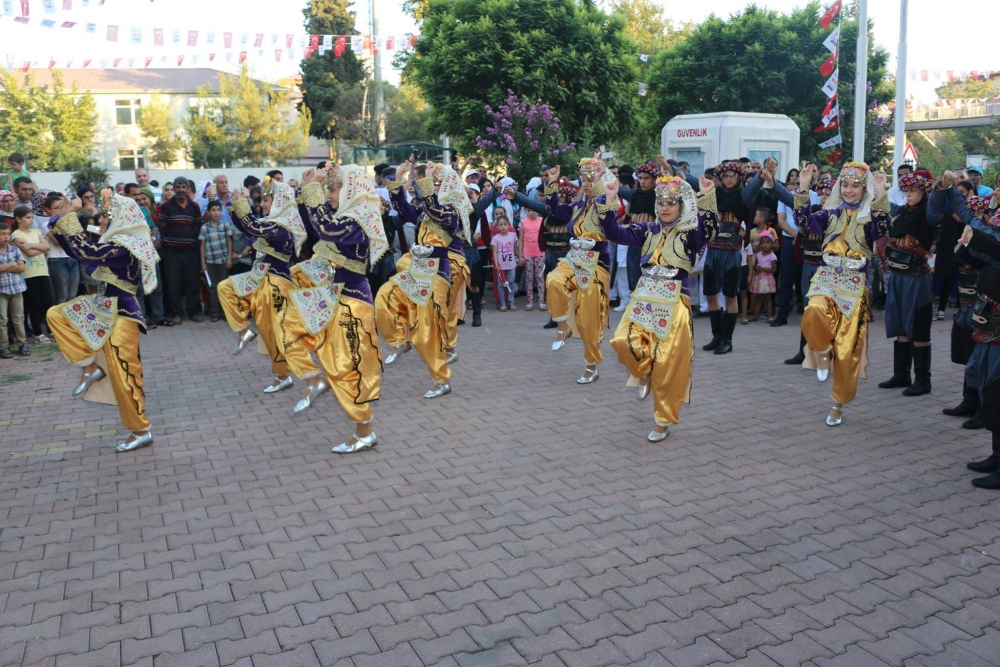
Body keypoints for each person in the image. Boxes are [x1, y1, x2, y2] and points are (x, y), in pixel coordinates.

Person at [598, 173, 717, 441]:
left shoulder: (690, 234)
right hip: (644, 300)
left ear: (681, 205)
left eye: (671, 202)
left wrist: (708, 196)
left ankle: (662, 421)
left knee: (667, 363)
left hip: (676, 304)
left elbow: (709, 230)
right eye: (661, 202)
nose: (665, 207)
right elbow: (613, 232)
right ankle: (641, 372)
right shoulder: (646, 230)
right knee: (621, 341)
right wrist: (610, 197)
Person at [283, 166, 388, 452]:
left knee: (345, 369)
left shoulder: (359, 218)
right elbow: (311, 224)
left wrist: (314, 190)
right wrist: (308, 190)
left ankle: (364, 430)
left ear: (349, 190)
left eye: (333, 189)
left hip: (353, 302)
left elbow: (326, 228)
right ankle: (314, 380)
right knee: (289, 323)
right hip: (331, 296)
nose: (329, 194)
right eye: (328, 190)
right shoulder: (343, 215)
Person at [45, 192, 160, 452]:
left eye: (109, 214)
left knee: (124, 375)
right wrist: (62, 217)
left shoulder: (126, 244)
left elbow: (86, 251)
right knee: (56, 314)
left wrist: (69, 215)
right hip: (103, 309)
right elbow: (78, 250)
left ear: (123, 217)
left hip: (122, 316)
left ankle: (141, 430)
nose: (104, 218)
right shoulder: (113, 239)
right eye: (104, 214)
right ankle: (89, 366)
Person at [794, 162, 890, 427]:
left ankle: (838, 403)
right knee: (813, 310)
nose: (849, 190)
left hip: (856, 283)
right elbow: (804, 223)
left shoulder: (869, 217)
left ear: (864, 188)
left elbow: (881, 229)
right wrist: (803, 187)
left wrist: (881, 193)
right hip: (826, 275)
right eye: (845, 185)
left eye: (855, 186)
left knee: (848, 351)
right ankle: (823, 352)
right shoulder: (830, 214)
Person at [218, 177, 308, 394]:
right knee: (224, 288)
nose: (262, 205)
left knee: (272, 333)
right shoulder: (272, 222)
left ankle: (285, 375)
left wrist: (241, 205)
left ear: (279, 201)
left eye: (267, 200)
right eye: (263, 201)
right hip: (260, 280)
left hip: (276, 284)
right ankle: (243, 331)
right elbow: (247, 226)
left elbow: (253, 227)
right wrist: (233, 205)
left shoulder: (283, 226)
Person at [378, 161, 458, 399]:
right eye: (431, 184)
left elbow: (435, 209)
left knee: (424, 332)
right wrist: (398, 177)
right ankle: (400, 340)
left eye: (436, 183)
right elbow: (402, 208)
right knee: (385, 295)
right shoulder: (424, 211)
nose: (430, 188)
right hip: (417, 271)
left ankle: (441, 379)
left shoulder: (451, 212)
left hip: (437, 276)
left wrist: (426, 182)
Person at [702, 158, 789, 353]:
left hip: (732, 251)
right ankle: (716, 336)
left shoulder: (744, 195)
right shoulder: (713, 193)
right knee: (709, 293)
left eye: (732, 175)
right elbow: (695, 183)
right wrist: (672, 170)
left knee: (730, 295)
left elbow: (757, 182)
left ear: (739, 176)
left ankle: (727, 339)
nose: (728, 178)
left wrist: (764, 171)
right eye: (724, 175)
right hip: (713, 249)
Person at [546, 157, 614, 384]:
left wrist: (604, 177)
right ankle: (562, 327)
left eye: (590, 179)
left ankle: (591, 365)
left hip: (597, 263)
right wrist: (552, 183)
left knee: (588, 320)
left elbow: (612, 207)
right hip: (574, 258)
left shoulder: (607, 204)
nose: (586, 184)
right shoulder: (577, 206)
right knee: (553, 279)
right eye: (583, 179)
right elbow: (553, 209)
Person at [878, 169, 939, 397]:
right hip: (898, 274)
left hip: (916, 275)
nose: (908, 193)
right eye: (906, 189)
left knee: (919, 323)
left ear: (925, 191)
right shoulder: (902, 212)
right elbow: (883, 207)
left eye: (913, 190)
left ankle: (923, 380)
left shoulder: (929, 214)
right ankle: (901, 374)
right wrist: (880, 186)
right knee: (900, 320)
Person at [957, 209, 1000, 488]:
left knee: (998, 388)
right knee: (990, 387)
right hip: (991, 322)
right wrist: (968, 244)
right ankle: (997, 456)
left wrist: (979, 239)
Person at [941, 192, 986, 430]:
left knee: (981, 359)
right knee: (967, 355)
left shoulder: (991, 237)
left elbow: (978, 259)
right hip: (966, 303)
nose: (976, 217)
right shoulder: (971, 234)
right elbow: (959, 257)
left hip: (984, 307)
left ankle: (981, 407)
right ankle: (968, 401)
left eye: (981, 213)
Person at [785, 177, 834, 364]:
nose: (823, 196)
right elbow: (802, 226)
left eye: (828, 192)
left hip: (827, 267)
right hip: (809, 263)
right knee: (807, 308)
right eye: (821, 192)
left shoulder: (838, 216)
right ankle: (804, 350)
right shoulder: (813, 212)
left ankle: (825, 352)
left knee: (824, 310)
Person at [157, 176, 204, 324]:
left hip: (190, 251)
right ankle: (176, 313)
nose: (181, 190)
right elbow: (162, 227)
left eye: (184, 187)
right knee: (173, 283)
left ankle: (193, 311)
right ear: (174, 188)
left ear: (188, 188)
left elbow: (196, 226)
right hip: (172, 251)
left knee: (192, 282)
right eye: (178, 187)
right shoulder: (166, 207)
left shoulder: (194, 207)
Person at [10, 205, 54, 344]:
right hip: (29, 274)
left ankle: (51, 330)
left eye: (31, 217)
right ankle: (37, 333)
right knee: (34, 303)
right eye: (27, 218)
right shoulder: (16, 235)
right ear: (18, 219)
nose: (31, 220)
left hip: (42, 271)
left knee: (48, 301)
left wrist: (31, 245)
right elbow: (28, 252)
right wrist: (38, 248)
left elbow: (47, 247)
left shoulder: (36, 231)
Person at [32, 190, 80, 306]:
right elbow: (59, 242)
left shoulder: (69, 221)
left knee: (72, 296)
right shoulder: (46, 224)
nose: (60, 210)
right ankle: (56, 323)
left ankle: (68, 323)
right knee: (61, 296)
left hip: (72, 259)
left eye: (62, 207)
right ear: (48, 209)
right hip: (57, 261)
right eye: (57, 208)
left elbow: (77, 238)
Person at [198, 201, 233, 322]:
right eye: (213, 210)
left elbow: (229, 242)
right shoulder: (204, 228)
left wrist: (229, 258)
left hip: (223, 261)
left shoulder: (225, 225)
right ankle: (215, 313)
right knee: (212, 287)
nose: (216, 212)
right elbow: (202, 246)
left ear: (221, 211)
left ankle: (225, 312)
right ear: (208, 212)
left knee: (223, 287)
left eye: (218, 210)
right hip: (210, 261)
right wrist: (203, 263)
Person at [0, 221, 28, 358]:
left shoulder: (15, 250)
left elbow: (21, 268)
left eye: (8, 234)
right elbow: (16, 266)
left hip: (16, 288)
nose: (6, 237)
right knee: (2, 319)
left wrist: (5, 266)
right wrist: (12, 264)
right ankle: (4, 346)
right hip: (1, 291)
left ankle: (22, 343)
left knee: (18, 318)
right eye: (2, 234)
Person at [517, 205, 546, 312]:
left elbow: (545, 238)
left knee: (540, 277)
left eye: (534, 209)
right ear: (526, 211)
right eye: (529, 210)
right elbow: (520, 240)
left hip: (540, 253)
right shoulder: (523, 222)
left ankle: (541, 302)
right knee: (529, 278)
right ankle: (530, 302)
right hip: (528, 254)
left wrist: (545, 251)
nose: (532, 212)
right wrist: (520, 255)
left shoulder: (542, 221)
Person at [749, 230, 778, 323]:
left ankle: (769, 316)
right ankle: (755, 315)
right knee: (759, 298)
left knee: (767, 298)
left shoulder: (772, 256)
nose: (765, 245)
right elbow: (757, 266)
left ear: (772, 244)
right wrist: (755, 267)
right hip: (759, 278)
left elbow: (774, 270)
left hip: (767, 279)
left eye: (768, 243)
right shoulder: (758, 254)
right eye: (763, 242)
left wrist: (763, 269)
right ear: (760, 244)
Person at [491, 214, 518, 311]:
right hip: (501, 266)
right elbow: (494, 252)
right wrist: (496, 264)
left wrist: (520, 258)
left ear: (508, 225)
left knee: (511, 283)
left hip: (511, 265)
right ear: (497, 226)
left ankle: (511, 303)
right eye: (500, 224)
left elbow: (515, 248)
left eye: (505, 224)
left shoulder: (513, 236)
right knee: (501, 285)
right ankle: (503, 304)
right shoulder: (495, 238)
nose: (503, 226)